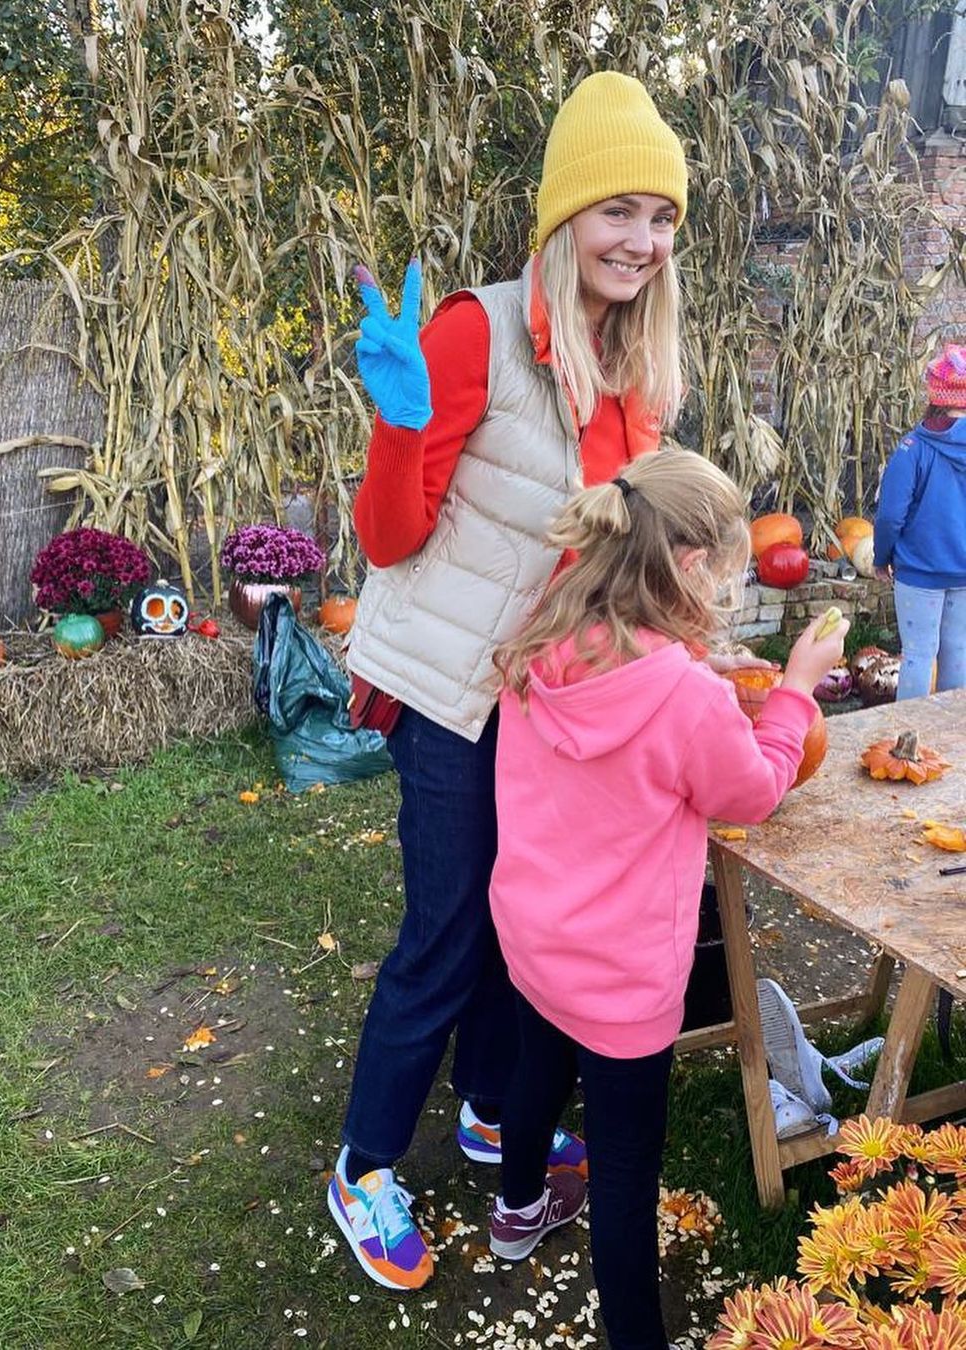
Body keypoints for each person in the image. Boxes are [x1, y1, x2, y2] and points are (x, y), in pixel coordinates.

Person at [328, 70, 694, 1292]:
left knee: (517, 912)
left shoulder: (638, 370)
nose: (640, 241)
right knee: (445, 927)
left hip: (544, 705)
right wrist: (397, 424)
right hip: (445, 692)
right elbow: (388, 542)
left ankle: (490, 1107)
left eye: (661, 217)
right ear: (564, 216)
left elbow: (610, 563)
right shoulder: (475, 331)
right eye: (618, 211)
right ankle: (366, 1163)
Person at [487, 449, 848, 1350]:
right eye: (721, 573)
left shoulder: (544, 634)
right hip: (622, 975)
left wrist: (695, 661)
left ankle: (517, 1211)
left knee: (535, 1078)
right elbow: (754, 791)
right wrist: (795, 692)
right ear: (688, 568)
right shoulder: (686, 698)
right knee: (624, 1168)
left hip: (533, 936)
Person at [873, 342, 966, 701]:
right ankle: (950, 741)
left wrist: (882, 558)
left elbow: (891, 515)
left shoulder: (914, 448)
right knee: (957, 656)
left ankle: (908, 742)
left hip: (919, 572)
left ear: (934, 393)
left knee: (918, 656)